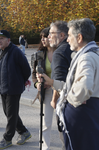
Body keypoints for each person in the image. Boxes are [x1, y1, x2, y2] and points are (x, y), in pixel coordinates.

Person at [37, 18, 99, 150]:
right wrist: (52, 82)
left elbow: (83, 88)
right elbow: (75, 86)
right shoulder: (93, 53)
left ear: (80, 37)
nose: (68, 39)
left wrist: (69, 100)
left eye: (70, 36)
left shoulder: (85, 57)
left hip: (82, 116)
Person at [0, 30, 32, 149]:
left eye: (2, 38)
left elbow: (27, 69)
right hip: (4, 88)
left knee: (11, 114)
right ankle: (24, 132)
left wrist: (20, 81)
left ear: (8, 40)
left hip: (13, 88)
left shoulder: (16, 52)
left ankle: (7, 138)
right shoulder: (1, 51)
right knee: (9, 113)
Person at [42, 20, 72, 150]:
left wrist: (54, 100)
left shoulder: (59, 52)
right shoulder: (71, 48)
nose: (48, 36)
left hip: (65, 101)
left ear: (61, 35)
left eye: (51, 33)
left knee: (66, 138)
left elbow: (59, 82)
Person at [32, 27, 56, 150]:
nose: (43, 39)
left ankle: (66, 146)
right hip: (46, 92)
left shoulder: (61, 53)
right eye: (41, 37)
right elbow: (33, 75)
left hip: (61, 90)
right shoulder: (39, 55)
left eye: (45, 36)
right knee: (46, 122)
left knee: (62, 122)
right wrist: (37, 84)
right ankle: (44, 148)